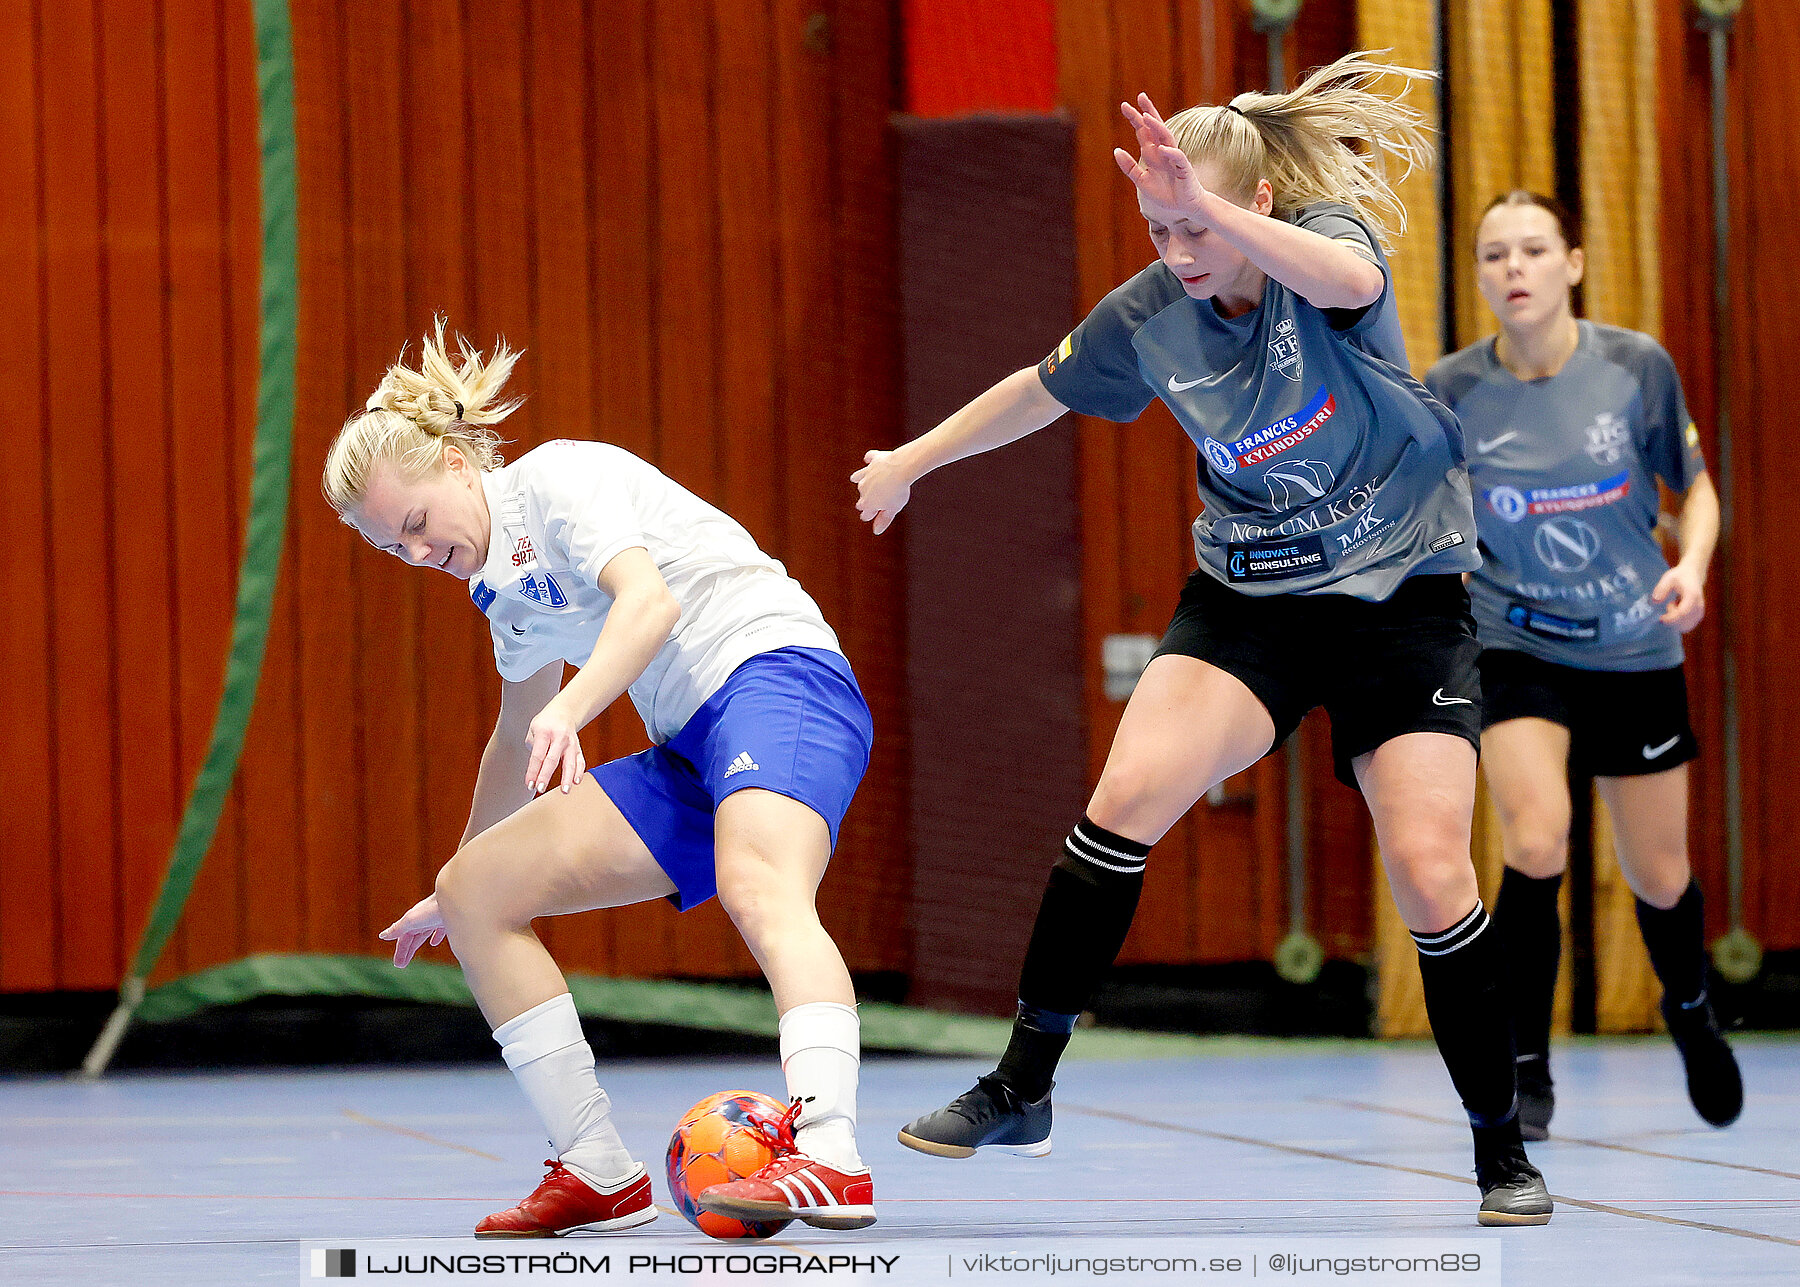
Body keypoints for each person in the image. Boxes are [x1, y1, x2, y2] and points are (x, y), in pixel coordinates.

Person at [854, 52, 1552, 1226]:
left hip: (1405, 603)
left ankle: (1499, 1152)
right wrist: (913, 461)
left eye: (1193, 229)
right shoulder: (1150, 314)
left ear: (1252, 207)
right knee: (1124, 796)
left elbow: (1340, 275)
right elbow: (1040, 386)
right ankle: (1024, 1082)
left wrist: (1212, 205)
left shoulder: (1322, 249)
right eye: (1158, 229)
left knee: (1433, 872)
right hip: (1254, 601)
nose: (1176, 255)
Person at [323, 322, 877, 1236]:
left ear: (460, 464)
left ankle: (830, 1152)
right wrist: (451, 882)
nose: (418, 555)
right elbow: (514, 737)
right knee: (477, 892)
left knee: (757, 880)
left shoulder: (557, 479)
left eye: (417, 525)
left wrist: (572, 709)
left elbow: (647, 601)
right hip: (691, 744)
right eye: (394, 550)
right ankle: (599, 1167)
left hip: (776, 678)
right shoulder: (499, 595)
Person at [1424, 191, 1740, 1140]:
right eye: (1493, 254)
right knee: (1537, 837)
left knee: (1661, 874)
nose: (1512, 268)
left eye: (1532, 249)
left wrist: (1691, 566)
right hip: (1517, 642)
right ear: (1479, 275)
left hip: (1634, 643)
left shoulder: (1636, 368)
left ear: (1574, 262)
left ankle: (1686, 1005)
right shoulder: (1452, 388)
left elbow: (1696, 491)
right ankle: (1527, 1068)